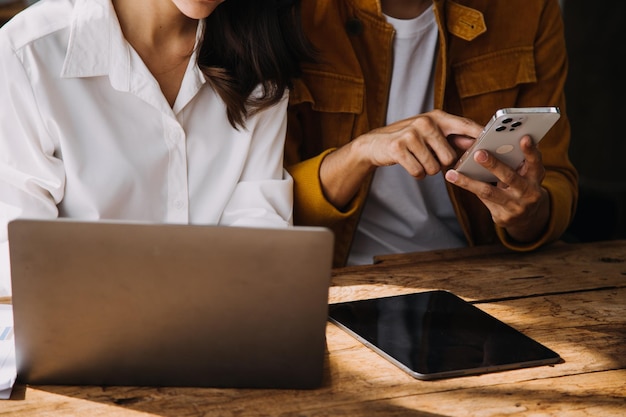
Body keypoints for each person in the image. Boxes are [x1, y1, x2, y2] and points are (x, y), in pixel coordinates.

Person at [0, 0, 314, 295]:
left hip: (218, 331)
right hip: (76, 332)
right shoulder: (27, 56)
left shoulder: (259, 53)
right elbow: (17, 260)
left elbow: (259, 230)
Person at [285, 0, 578, 267]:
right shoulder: (293, 15)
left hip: (482, 270)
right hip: (333, 276)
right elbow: (262, 204)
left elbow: (555, 177)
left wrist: (527, 215)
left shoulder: (528, 9)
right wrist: (359, 153)